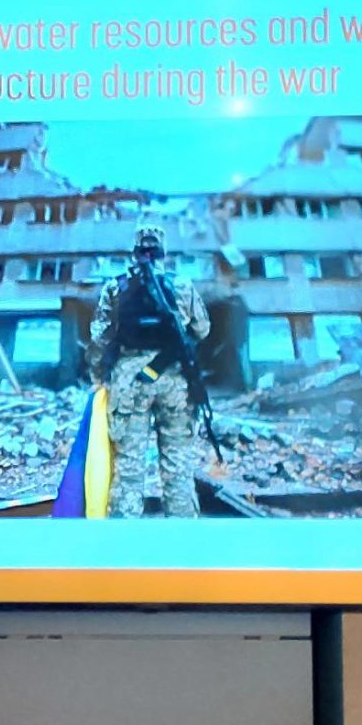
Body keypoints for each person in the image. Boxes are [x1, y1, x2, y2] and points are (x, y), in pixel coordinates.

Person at [88, 221, 213, 517]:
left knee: (129, 466)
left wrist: (100, 371)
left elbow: (99, 336)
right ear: (163, 253)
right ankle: (182, 540)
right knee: (178, 464)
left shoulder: (115, 287)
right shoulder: (182, 285)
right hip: (174, 381)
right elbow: (203, 329)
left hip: (129, 381)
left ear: (135, 252)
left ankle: (124, 545)